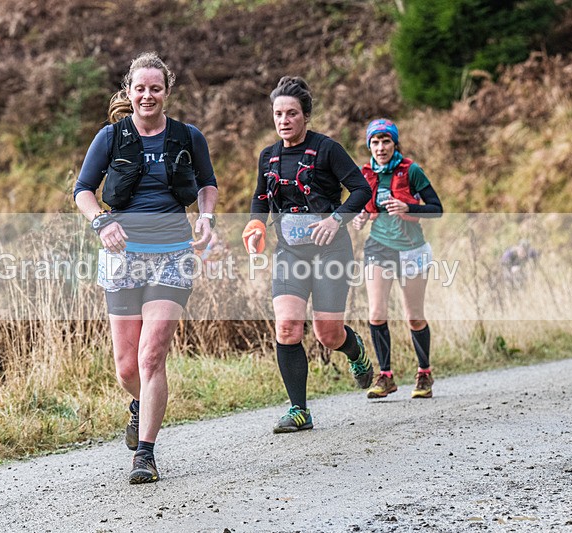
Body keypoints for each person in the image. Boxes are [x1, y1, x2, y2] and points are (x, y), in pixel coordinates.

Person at [74, 52, 218, 484]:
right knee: (126, 367)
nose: (148, 95)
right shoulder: (111, 137)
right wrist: (101, 222)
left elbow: (208, 185)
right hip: (122, 257)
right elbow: (83, 190)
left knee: (152, 355)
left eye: (156, 88)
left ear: (167, 92)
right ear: (130, 91)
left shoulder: (187, 136)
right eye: (140, 88)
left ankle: (146, 454)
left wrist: (206, 218)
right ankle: (140, 405)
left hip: (173, 253)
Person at [242, 76, 374, 434]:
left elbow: (361, 190)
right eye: (278, 114)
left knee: (328, 334)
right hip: (290, 252)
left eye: (291, 113)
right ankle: (299, 410)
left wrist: (336, 219)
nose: (284, 120)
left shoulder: (327, 149)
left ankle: (356, 350)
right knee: (287, 327)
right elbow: (261, 198)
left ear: (306, 116)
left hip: (332, 251)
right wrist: (256, 225)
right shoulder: (267, 156)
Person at [352, 118, 443, 399]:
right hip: (379, 247)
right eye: (375, 142)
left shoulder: (411, 171)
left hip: (411, 248)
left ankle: (424, 373)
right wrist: (360, 216)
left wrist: (409, 206)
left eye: (386, 141)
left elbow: (437, 209)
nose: (380, 147)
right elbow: (364, 208)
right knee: (377, 313)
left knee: (413, 317)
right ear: (369, 145)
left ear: (394, 143)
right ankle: (386, 376)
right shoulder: (366, 174)